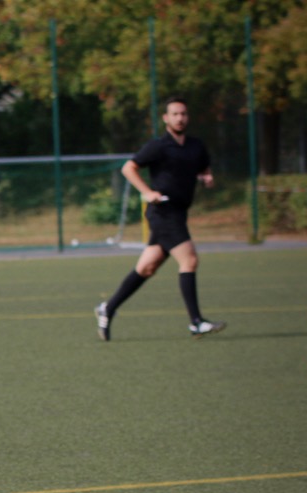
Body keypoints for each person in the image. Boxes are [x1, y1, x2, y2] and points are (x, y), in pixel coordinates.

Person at [95, 97, 224, 341]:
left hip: (180, 213)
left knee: (147, 267)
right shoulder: (159, 146)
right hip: (163, 213)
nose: (180, 118)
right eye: (174, 114)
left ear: (188, 117)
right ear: (166, 118)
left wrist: (206, 178)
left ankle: (107, 308)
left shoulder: (196, 146)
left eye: (183, 114)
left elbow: (204, 169)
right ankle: (196, 322)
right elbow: (128, 168)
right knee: (190, 259)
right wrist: (146, 192)